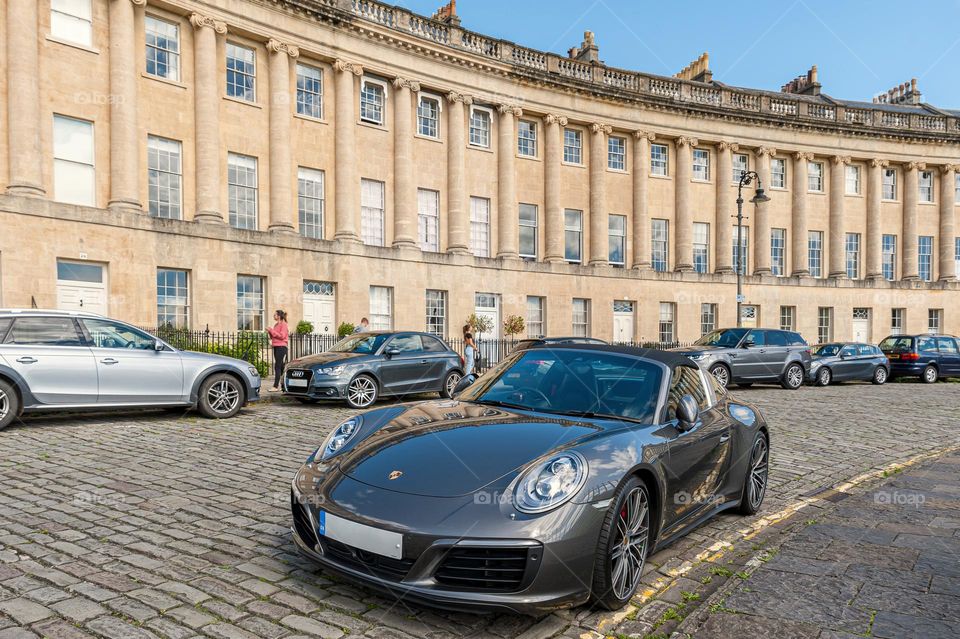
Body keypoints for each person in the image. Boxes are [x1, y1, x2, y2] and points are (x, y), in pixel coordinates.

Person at [266, 310, 289, 391]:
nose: (273, 316)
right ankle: (285, 385)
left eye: (275, 315)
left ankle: (275, 386)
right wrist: (269, 331)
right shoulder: (276, 325)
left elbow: (282, 336)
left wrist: (271, 330)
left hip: (282, 347)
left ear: (279, 316)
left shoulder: (284, 324)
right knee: (281, 367)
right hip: (276, 346)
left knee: (277, 366)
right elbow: (273, 337)